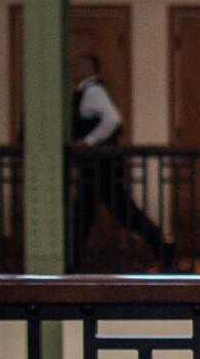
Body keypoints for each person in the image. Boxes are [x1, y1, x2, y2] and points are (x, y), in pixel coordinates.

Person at [69, 52, 171, 266]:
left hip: (100, 165)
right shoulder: (86, 90)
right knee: (109, 212)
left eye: (79, 64)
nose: (74, 68)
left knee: (107, 212)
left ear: (90, 68)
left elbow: (113, 119)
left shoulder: (93, 90)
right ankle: (163, 246)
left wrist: (88, 141)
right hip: (99, 165)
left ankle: (71, 261)